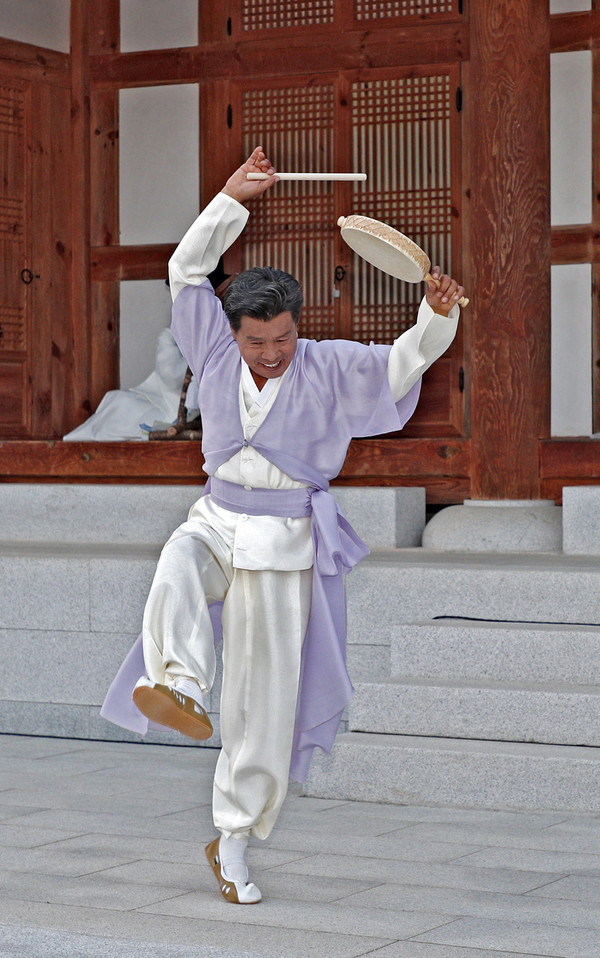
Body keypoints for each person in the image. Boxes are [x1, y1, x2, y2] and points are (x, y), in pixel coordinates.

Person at [101, 146, 464, 905]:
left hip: (286, 541)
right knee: (175, 564)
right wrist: (231, 198)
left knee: (263, 706)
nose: (270, 356)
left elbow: (400, 366)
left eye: (282, 341)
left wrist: (435, 315)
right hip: (218, 517)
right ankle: (178, 685)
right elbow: (184, 270)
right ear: (230, 334)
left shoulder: (327, 365)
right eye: (256, 343)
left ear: (299, 327)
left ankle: (231, 842)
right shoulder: (209, 342)